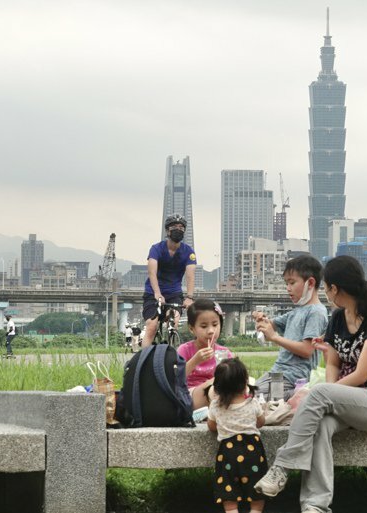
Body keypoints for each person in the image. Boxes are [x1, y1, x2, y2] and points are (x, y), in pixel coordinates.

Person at [253, 255, 367, 513]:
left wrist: (329, 393)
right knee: (321, 424)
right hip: (351, 401)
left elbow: (363, 374)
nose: (325, 292)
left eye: (326, 287)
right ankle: (315, 507)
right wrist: (330, 396)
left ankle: (282, 467)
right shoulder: (337, 318)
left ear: (336, 289)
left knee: (322, 393)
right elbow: (332, 363)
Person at [252, 255, 328, 400]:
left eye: (292, 283)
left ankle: (299, 396)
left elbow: (307, 350)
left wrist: (275, 337)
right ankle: (290, 399)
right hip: (278, 375)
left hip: (294, 378)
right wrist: (261, 319)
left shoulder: (316, 312)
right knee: (246, 395)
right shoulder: (297, 311)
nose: (288, 289)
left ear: (310, 283)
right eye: (287, 283)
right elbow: (271, 325)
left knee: (250, 398)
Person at [207, 358, 267, 513]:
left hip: (228, 452)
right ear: (245, 382)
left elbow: (211, 426)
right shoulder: (252, 403)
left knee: (229, 490)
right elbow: (261, 422)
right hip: (252, 451)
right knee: (256, 488)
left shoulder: (216, 405)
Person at [141, 213, 197, 347]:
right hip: (153, 293)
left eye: (181, 227)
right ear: (167, 230)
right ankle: (142, 361)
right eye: (174, 227)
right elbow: (152, 272)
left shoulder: (188, 251)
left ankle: (171, 353)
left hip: (174, 293)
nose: (178, 229)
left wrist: (189, 297)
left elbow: (190, 275)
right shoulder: (156, 249)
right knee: (152, 326)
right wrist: (157, 293)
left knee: (174, 320)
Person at [178, 299, 234, 409]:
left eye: (215, 324)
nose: (211, 331)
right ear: (191, 328)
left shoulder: (224, 352)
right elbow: (175, 378)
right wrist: (195, 360)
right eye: (204, 326)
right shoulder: (184, 350)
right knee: (213, 386)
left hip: (217, 394)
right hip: (190, 396)